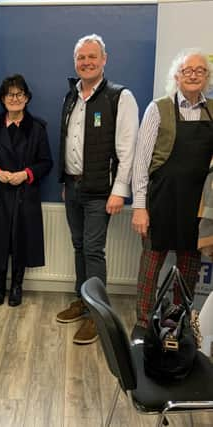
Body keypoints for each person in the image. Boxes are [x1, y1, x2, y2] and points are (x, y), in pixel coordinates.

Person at [55, 34, 139, 344]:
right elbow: (68, 142)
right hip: (73, 187)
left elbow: (127, 149)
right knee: (79, 246)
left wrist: (119, 190)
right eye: (81, 58)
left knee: (93, 250)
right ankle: (83, 299)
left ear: (104, 60)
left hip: (101, 191)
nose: (86, 62)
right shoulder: (71, 97)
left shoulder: (120, 97)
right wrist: (66, 181)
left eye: (92, 57)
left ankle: (96, 314)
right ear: (75, 62)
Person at [132, 48, 213, 331]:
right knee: (151, 267)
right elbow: (141, 164)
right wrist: (140, 208)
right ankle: (143, 324)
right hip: (161, 200)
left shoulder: (212, 110)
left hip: (197, 205)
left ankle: (177, 323)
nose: (193, 75)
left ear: (207, 77)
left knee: (188, 269)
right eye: (187, 70)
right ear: (176, 76)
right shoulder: (159, 108)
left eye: (200, 70)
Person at [0, 74, 53, 306]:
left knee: (21, 241)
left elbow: (46, 163)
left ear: (26, 98)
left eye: (19, 94)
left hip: (26, 195)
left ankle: (16, 286)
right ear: (3, 98)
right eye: (10, 94)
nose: (14, 98)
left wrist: (26, 174)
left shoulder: (37, 128)